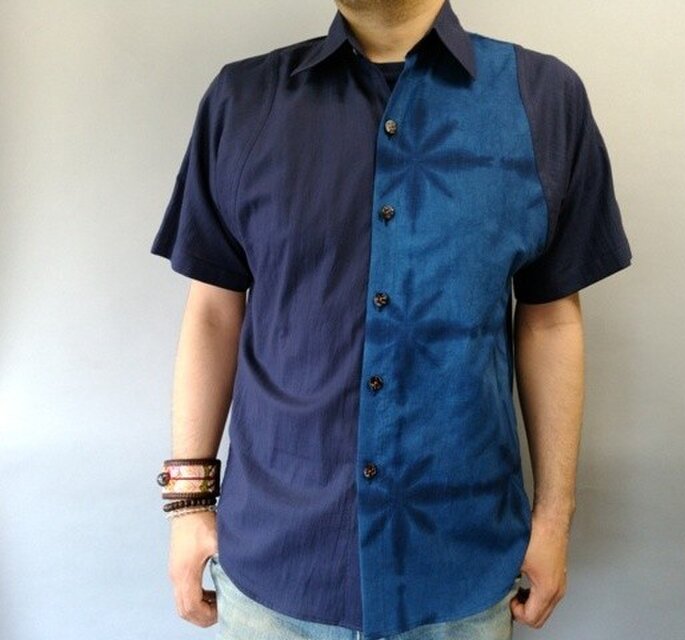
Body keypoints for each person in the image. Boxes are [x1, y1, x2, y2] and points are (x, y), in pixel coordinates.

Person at [150, 0, 632, 638]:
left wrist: (553, 519)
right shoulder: (243, 101)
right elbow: (214, 311)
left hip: (462, 570)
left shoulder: (543, 99)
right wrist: (188, 505)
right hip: (274, 570)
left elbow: (549, 321)